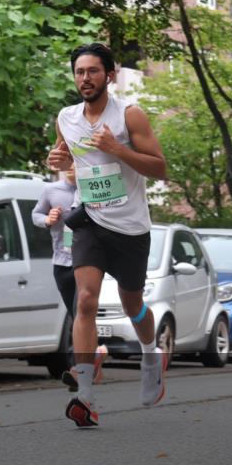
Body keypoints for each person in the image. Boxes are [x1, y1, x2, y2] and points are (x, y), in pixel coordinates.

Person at [47, 42, 168, 428]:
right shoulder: (66, 118)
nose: (85, 78)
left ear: (110, 75)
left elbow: (160, 168)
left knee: (133, 304)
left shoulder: (129, 115)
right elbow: (69, 158)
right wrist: (59, 160)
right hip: (90, 220)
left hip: (130, 227)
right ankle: (85, 394)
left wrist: (118, 149)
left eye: (93, 71)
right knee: (85, 300)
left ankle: (150, 355)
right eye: (80, 72)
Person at [31, 166, 81, 351]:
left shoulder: (92, 189)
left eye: (75, 161)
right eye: (68, 161)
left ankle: (85, 360)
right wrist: (48, 219)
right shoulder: (51, 189)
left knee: (81, 311)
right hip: (62, 262)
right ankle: (94, 352)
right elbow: (36, 214)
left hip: (87, 261)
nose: (71, 166)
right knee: (75, 314)